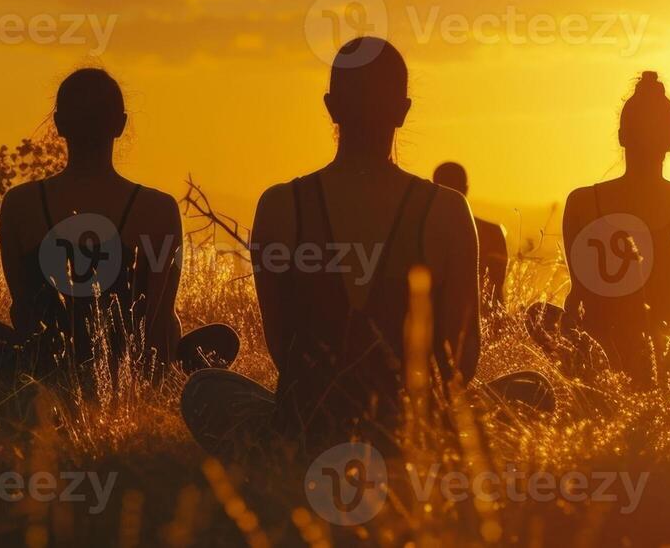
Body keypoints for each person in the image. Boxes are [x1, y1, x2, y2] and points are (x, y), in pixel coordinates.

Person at [180, 38, 549, 458]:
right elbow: (462, 360)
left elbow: (282, 347)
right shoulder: (447, 211)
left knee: (205, 388)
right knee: (532, 391)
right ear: (403, 111)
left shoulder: (281, 206)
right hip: (416, 431)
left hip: (308, 426)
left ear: (331, 107)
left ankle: (278, 449)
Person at [0, 68, 238, 385]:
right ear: (121, 125)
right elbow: (159, 322)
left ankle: (27, 386)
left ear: (59, 125)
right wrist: (162, 375)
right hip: (130, 372)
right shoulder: (158, 209)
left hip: (46, 367)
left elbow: (22, 310)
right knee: (221, 340)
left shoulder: (20, 204)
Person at [528, 72, 670, 389]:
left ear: (621, 135)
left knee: (536, 314)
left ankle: (585, 386)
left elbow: (578, 298)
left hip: (601, 364)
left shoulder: (582, 203)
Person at [432, 162, 510, 311]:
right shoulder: (492, 233)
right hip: (482, 318)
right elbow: (495, 291)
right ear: (466, 189)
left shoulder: (423, 231)